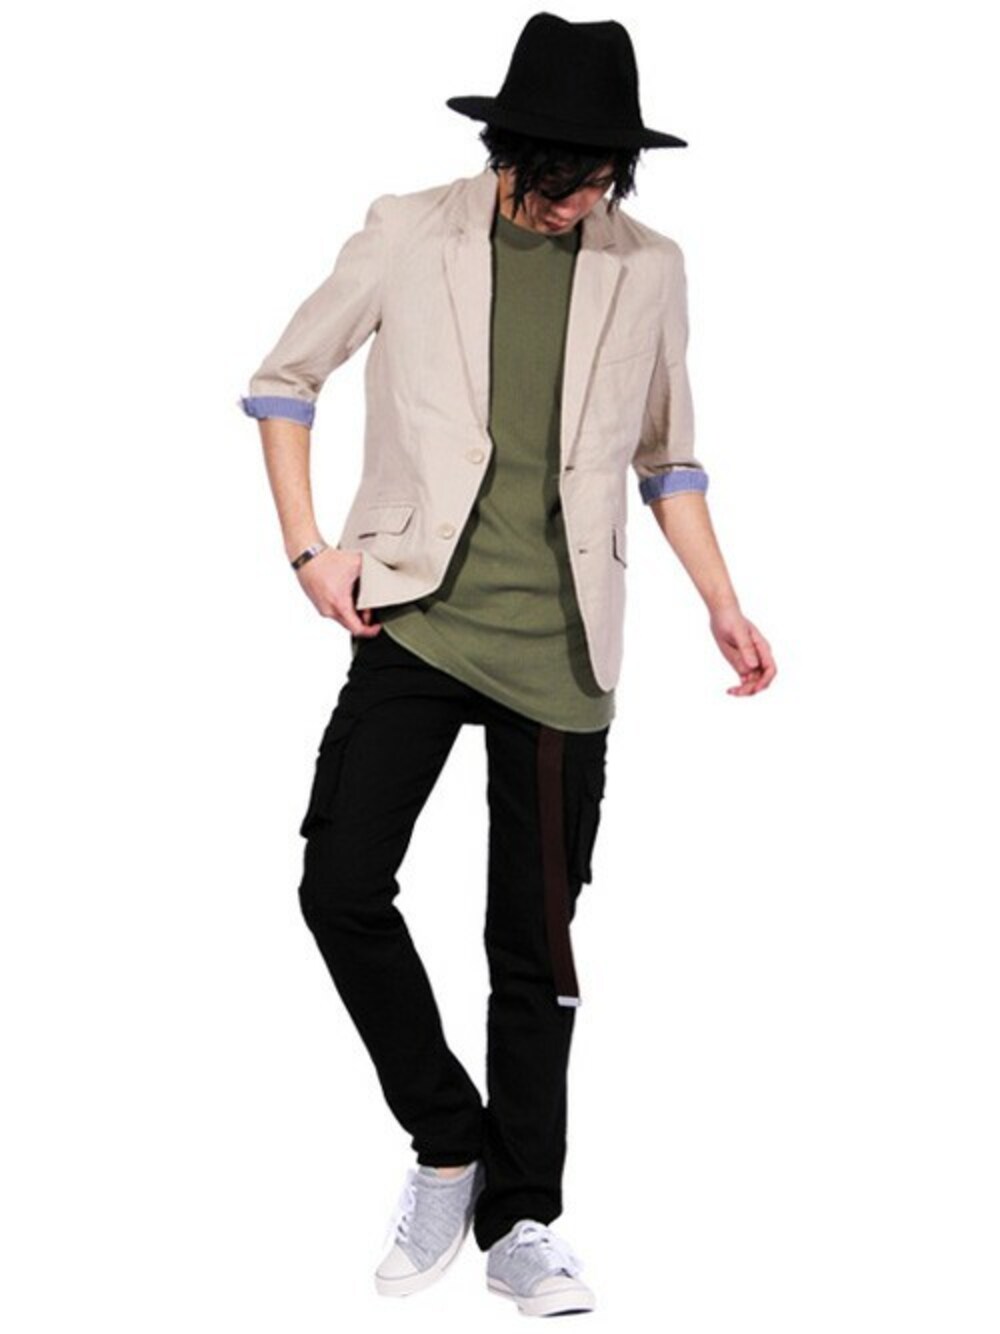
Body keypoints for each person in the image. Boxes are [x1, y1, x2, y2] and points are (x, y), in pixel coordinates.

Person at [237, 12, 776, 1319]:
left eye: (601, 180)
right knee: (339, 884)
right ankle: (449, 1142)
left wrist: (722, 602)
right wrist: (309, 548)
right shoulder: (408, 231)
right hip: (415, 615)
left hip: (562, 645)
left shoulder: (649, 266)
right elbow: (286, 379)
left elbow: (669, 456)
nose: (578, 201)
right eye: (560, 178)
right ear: (510, 151)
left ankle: (524, 1216)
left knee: (535, 946)